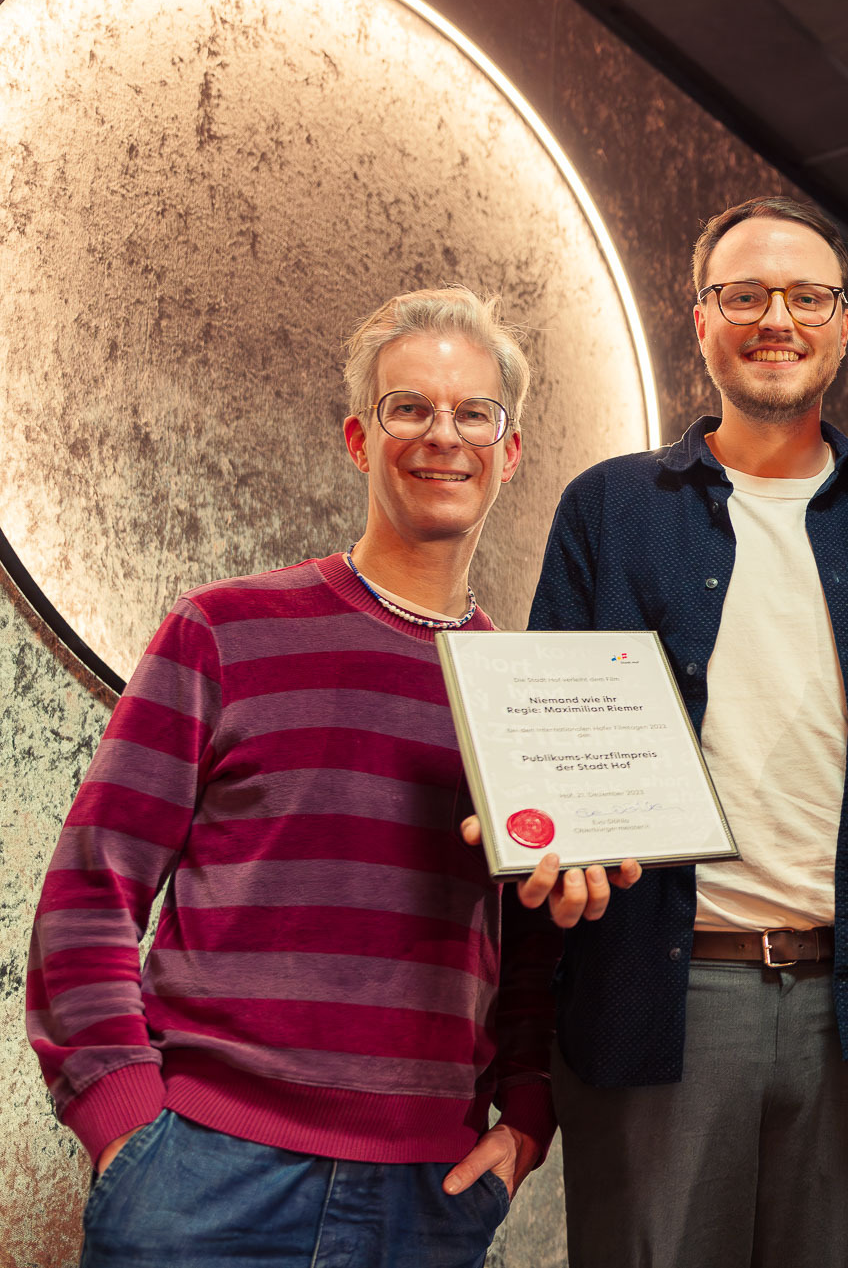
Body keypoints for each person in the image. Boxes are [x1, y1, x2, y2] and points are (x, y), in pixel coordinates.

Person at [24, 286, 559, 1266]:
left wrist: (525, 1121)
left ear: (507, 453)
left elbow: (529, 954)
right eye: (410, 408)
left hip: (425, 1199)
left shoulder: (524, 693)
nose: (444, 435)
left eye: (473, 413)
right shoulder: (223, 630)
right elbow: (88, 895)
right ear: (360, 439)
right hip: (201, 1183)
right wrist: (127, 1128)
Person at [526, 194, 848, 1268]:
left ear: (844, 323)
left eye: (806, 296)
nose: (775, 316)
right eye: (745, 295)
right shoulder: (610, 509)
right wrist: (545, 836)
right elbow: (546, 742)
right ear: (702, 321)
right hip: (662, 999)